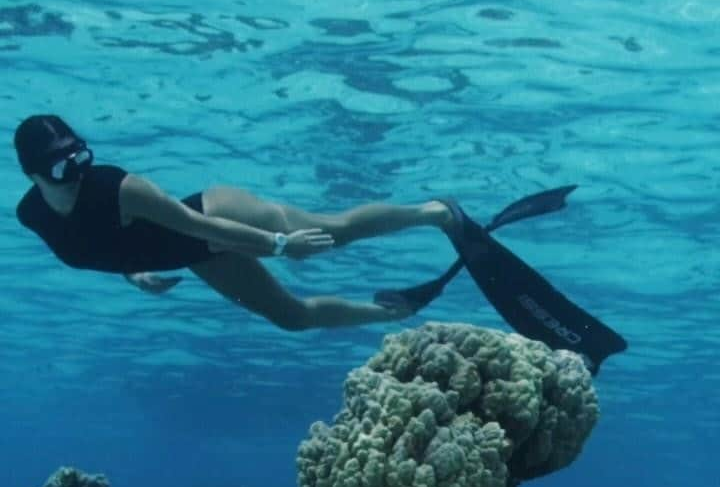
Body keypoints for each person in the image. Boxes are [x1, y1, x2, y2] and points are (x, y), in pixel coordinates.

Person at [14, 115, 454, 330]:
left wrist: (280, 243)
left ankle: (432, 212)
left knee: (331, 233)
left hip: (215, 216)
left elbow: (195, 226)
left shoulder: (119, 187)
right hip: (193, 253)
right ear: (33, 174)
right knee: (292, 318)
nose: (75, 175)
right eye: (60, 169)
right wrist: (133, 272)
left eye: (81, 160)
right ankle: (395, 312)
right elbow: (96, 239)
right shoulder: (32, 215)